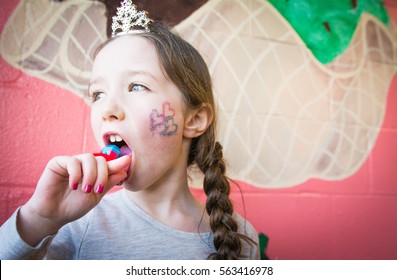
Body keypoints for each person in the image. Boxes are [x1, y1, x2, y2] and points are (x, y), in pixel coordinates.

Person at [0, 0, 259, 260]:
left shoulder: (240, 237)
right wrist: (38, 219)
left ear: (194, 119)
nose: (107, 109)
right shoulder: (71, 225)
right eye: (98, 93)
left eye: (136, 86)